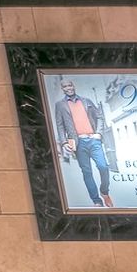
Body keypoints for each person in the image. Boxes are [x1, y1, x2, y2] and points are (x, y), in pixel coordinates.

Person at [52, 77, 114, 208]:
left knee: (103, 167)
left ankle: (104, 192)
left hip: (93, 140)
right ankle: (96, 200)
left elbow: (99, 117)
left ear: (73, 86)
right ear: (62, 89)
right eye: (65, 87)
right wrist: (63, 143)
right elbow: (60, 125)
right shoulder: (60, 105)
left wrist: (98, 133)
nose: (68, 88)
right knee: (87, 172)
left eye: (70, 85)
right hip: (78, 143)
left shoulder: (86, 101)